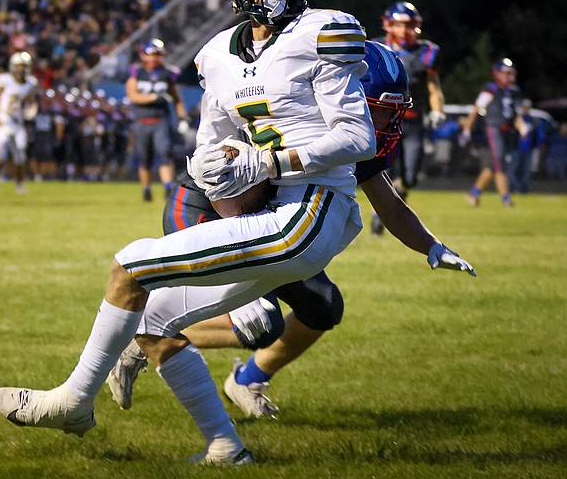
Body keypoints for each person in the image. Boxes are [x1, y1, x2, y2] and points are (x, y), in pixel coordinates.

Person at [0, 0, 375, 465]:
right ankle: (225, 447)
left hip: (311, 207)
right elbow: (210, 146)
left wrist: (270, 161)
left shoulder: (325, 30)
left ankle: (72, 400)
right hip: (271, 209)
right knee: (150, 321)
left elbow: (356, 136)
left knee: (130, 265)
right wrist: (222, 175)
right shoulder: (217, 53)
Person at [107, 41, 476, 421]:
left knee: (323, 306)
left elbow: (389, 204)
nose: (387, 124)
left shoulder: (346, 138)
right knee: (257, 322)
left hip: (271, 226)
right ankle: (140, 334)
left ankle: (247, 380)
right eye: (379, 112)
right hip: (208, 211)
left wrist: (431, 245)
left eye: (392, 112)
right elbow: (224, 184)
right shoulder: (287, 118)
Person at [370, 1, 445, 233]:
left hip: (412, 120)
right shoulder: (374, 48)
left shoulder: (426, 51)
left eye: (409, 25)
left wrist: (438, 111)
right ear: (388, 25)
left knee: (410, 176)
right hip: (382, 121)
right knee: (382, 170)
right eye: (400, 25)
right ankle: (378, 214)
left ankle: (392, 203)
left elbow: (434, 88)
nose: (405, 30)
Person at [125, 38, 186, 202]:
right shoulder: (136, 73)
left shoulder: (168, 73)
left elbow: (176, 98)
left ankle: (167, 188)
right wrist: (153, 97)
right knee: (145, 158)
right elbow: (133, 96)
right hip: (141, 120)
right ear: (143, 56)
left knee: (165, 153)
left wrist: (182, 118)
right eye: (150, 55)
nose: (153, 58)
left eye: (157, 55)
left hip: (161, 120)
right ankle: (146, 190)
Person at [460, 58, 525, 207]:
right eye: (506, 72)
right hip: (494, 129)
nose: (509, 76)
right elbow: (477, 109)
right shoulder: (491, 89)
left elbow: (515, 114)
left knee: (492, 165)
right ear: (497, 73)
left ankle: (474, 193)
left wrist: (522, 127)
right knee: (500, 164)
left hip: (508, 132)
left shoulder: (514, 92)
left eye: (511, 73)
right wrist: (466, 129)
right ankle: (506, 199)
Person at [0, 51, 39, 194]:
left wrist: (32, 109)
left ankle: (20, 185)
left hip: (18, 122)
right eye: (19, 66)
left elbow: (30, 100)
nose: (21, 69)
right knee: (1, 155)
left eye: (24, 66)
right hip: (4, 119)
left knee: (20, 156)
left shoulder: (30, 83)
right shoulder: (4, 79)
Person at [508, 99, 544, 194]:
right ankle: (510, 189)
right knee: (513, 169)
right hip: (516, 149)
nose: (526, 109)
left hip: (528, 150)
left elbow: (540, 136)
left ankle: (524, 190)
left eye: (527, 107)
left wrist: (535, 145)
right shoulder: (516, 120)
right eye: (524, 107)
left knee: (525, 171)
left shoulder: (534, 121)